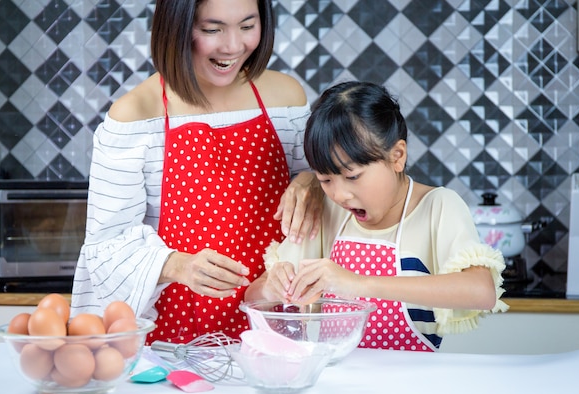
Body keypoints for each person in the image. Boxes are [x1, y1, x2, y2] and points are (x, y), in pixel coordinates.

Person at [71, 0, 324, 344]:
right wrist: (177, 265)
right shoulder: (134, 116)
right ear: (176, 27)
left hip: (276, 325)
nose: (233, 46)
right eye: (212, 29)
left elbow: (330, 182)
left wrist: (312, 179)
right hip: (173, 340)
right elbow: (106, 248)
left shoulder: (286, 98)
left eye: (247, 26)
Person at [246, 81, 509, 351]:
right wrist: (274, 289)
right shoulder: (327, 211)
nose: (339, 194)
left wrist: (358, 284)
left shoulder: (438, 207)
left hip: (415, 384)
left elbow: (481, 291)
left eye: (352, 177)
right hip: (343, 383)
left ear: (397, 156)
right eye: (325, 179)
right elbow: (254, 294)